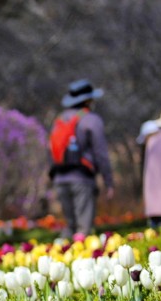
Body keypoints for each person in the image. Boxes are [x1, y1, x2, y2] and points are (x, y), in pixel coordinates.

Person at [49, 79, 114, 238]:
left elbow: (50, 150)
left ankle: (63, 258)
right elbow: (101, 154)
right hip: (82, 180)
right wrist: (108, 181)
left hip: (60, 179)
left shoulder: (59, 120)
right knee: (83, 229)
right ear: (87, 100)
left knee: (70, 227)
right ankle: (81, 260)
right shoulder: (91, 120)